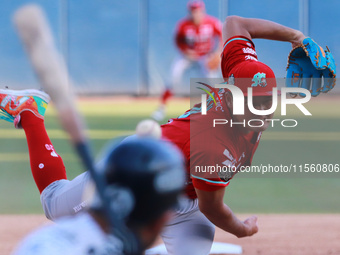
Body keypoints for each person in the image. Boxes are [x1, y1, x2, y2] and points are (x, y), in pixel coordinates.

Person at [0, 15, 306, 255]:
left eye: (267, 101)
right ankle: (29, 111)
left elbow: (236, 24)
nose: (264, 111)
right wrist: (241, 229)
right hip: (139, 172)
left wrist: (297, 37)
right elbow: (212, 207)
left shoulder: (242, 70)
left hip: (186, 202)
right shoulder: (216, 146)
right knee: (55, 206)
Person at [2, 91, 186, 254]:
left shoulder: (43, 244)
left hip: (158, 166)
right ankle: (31, 114)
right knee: (55, 203)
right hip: (148, 163)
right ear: (160, 221)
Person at [152, 0, 222, 121]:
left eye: (198, 11)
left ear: (202, 11)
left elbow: (222, 36)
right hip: (187, 56)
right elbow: (177, 41)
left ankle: (218, 110)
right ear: (189, 12)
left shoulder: (212, 22)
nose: (196, 14)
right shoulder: (183, 25)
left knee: (212, 83)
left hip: (205, 56)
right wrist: (185, 51)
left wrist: (218, 52)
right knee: (172, 78)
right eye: (193, 11)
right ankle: (161, 109)